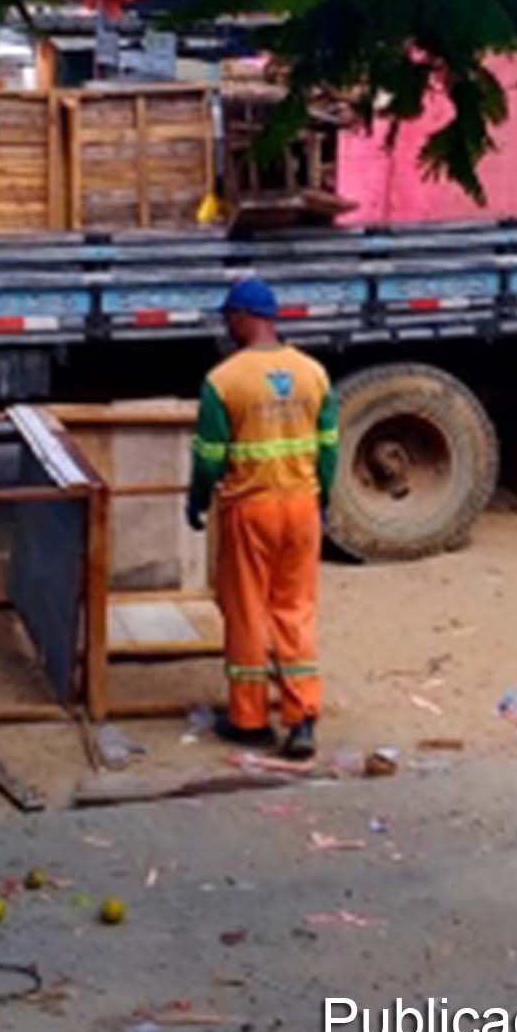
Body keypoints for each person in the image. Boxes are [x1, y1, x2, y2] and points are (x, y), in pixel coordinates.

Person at [186, 277, 338, 761]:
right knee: (294, 609)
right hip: (301, 507)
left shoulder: (223, 381)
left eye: (229, 316)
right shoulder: (314, 373)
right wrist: (323, 499)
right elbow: (329, 450)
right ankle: (301, 720)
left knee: (247, 609)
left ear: (242, 316)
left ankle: (249, 719)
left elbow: (209, 456)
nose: (227, 326)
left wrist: (197, 500)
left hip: (250, 508)